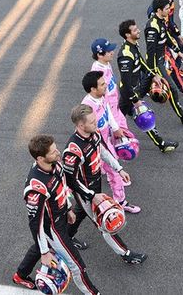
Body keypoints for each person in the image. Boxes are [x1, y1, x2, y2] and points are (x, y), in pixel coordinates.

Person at [13, 134, 101, 294]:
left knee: (42, 246)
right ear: (40, 158)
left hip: (61, 218)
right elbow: (35, 223)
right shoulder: (35, 188)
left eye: (56, 149)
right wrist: (45, 253)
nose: (58, 153)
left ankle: (20, 275)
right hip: (52, 229)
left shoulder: (56, 165)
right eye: (53, 152)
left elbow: (63, 187)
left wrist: (68, 209)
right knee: (78, 267)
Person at [63, 104, 147, 264]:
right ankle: (126, 254)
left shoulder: (93, 134)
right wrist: (91, 195)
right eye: (93, 122)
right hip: (85, 192)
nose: (97, 124)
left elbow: (103, 152)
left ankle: (67, 236)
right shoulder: (72, 150)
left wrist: (119, 168)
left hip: (96, 187)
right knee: (105, 222)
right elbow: (70, 180)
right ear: (81, 125)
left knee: (80, 212)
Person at [81, 70, 141, 214]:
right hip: (97, 146)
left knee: (113, 170)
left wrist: (115, 128)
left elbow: (108, 112)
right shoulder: (87, 107)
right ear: (92, 89)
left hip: (106, 141)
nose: (106, 85)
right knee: (114, 171)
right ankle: (120, 202)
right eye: (102, 84)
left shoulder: (102, 97)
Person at [116, 19, 180, 153]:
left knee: (141, 118)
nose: (138, 30)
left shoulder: (134, 45)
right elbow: (126, 82)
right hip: (128, 95)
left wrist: (153, 75)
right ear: (127, 35)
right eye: (134, 30)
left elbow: (142, 63)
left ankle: (161, 144)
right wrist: (135, 100)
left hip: (133, 91)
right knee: (118, 123)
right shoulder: (125, 55)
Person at [145, 0, 183, 122]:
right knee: (172, 89)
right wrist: (153, 73)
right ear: (159, 10)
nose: (169, 10)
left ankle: (127, 106)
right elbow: (150, 53)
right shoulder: (152, 27)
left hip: (161, 60)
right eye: (166, 9)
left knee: (139, 92)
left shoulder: (162, 21)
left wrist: (178, 52)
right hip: (155, 64)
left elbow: (167, 38)